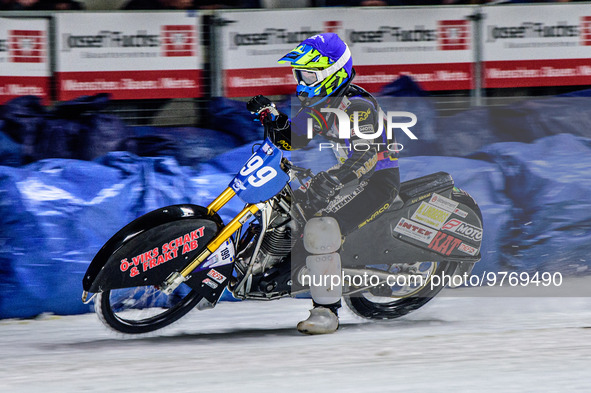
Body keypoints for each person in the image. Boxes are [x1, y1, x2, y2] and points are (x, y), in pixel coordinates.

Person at [247, 33, 400, 334]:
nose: (301, 82)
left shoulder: (358, 106)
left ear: (332, 74)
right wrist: (272, 118)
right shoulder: (321, 105)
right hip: (344, 176)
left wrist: (332, 179)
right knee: (284, 207)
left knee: (320, 228)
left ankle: (327, 311)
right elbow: (292, 139)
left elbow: (367, 155)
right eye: (299, 74)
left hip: (377, 181)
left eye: (308, 74)